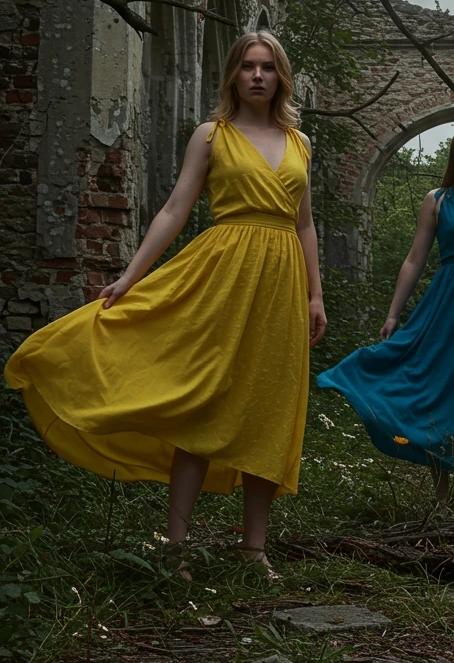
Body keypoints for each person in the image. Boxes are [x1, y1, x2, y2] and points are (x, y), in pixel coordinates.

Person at [5, 30, 326, 579]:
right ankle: (176, 549)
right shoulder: (211, 135)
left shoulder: (299, 142)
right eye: (247, 66)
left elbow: (304, 222)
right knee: (201, 402)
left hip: (281, 284)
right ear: (232, 74)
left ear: (280, 76)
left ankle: (254, 551)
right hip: (223, 274)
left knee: (270, 409)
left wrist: (316, 294)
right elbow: (176, 209)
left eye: (267, 67)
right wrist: (130, 276)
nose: (256, 76)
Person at [318, 122, 454, 512]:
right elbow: (415, 259)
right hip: (450, 303)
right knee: (442, 386)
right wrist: (393, 314)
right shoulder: (437, 199)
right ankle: (441, 497)